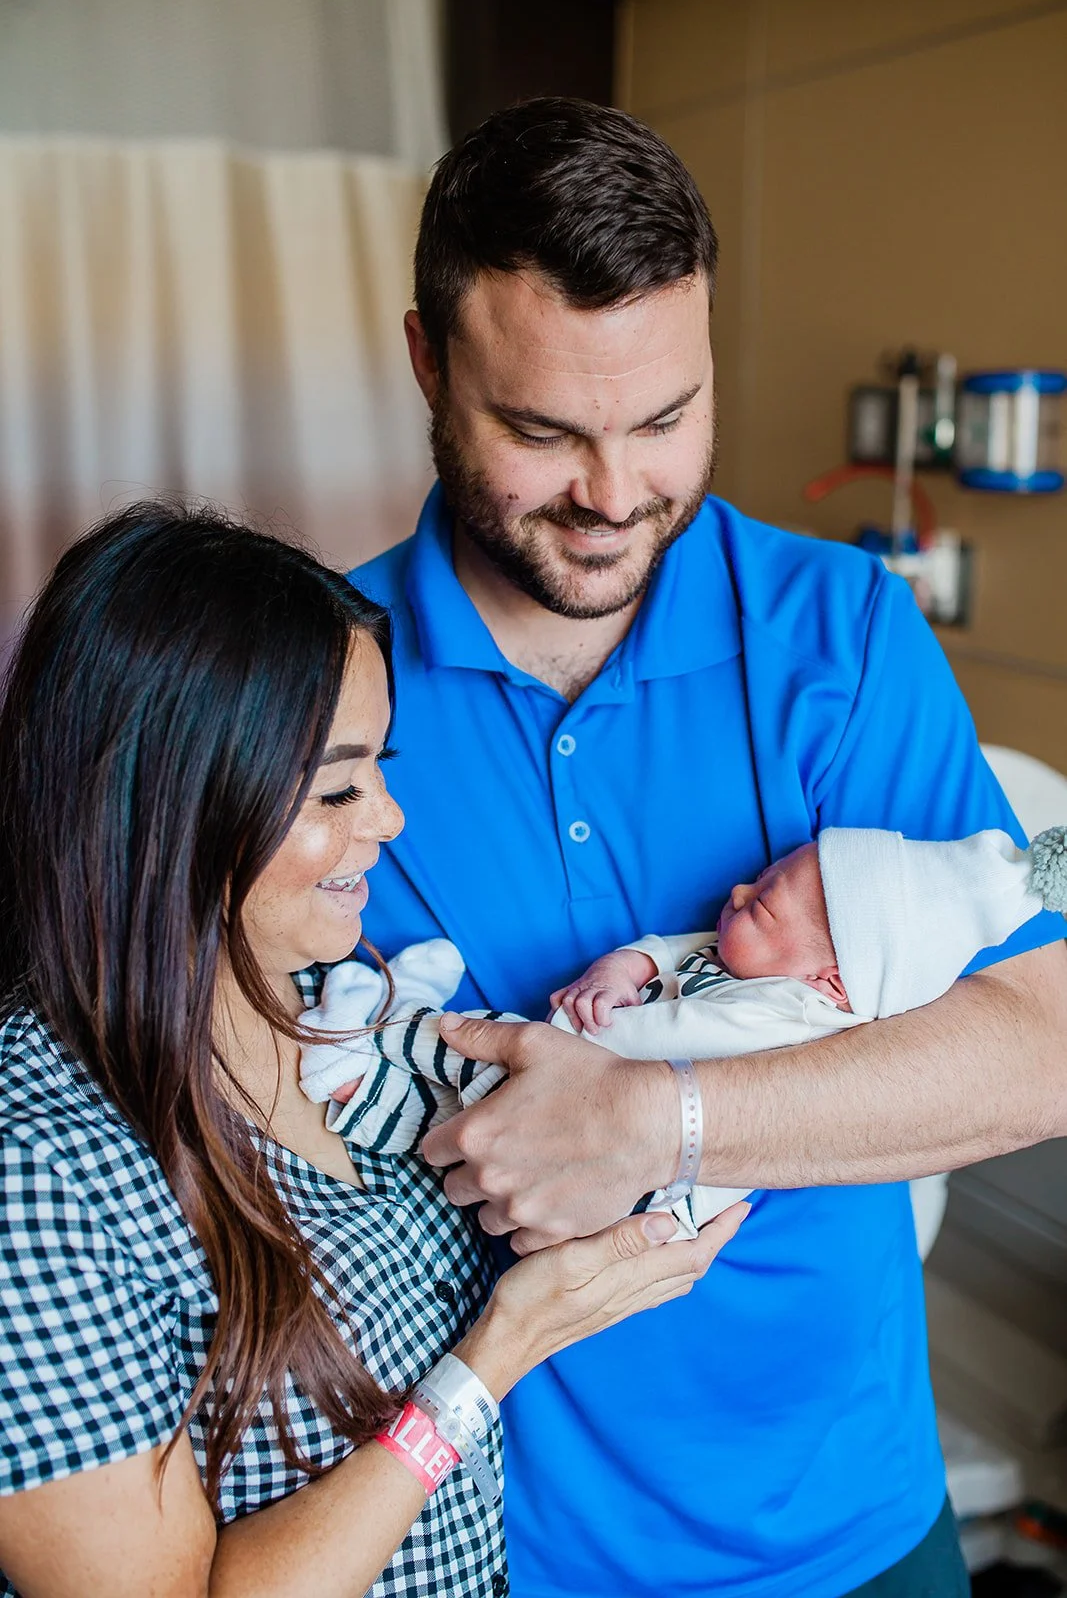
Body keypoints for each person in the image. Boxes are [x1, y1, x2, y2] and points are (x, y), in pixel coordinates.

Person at [350, 97, 1067, 1598]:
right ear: (426, 362)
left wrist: (654, 1121)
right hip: (490, 1550)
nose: (614, 496)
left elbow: (1036, 1047)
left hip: (850, 1526)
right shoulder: (317, 690)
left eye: (664, 419)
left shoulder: (836, 634)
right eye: (541, 432)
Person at [0, 500, 744, 1598]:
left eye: (379, 770)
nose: (388, 820)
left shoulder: (343, 1010)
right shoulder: (40, 1169)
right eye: (338, 788)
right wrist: (495, 1352)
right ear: (172, 803)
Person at [300, 825, 1067, 1239]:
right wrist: (620, 970)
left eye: (762, 904)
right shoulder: (747, 957)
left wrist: (580, 1048)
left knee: (456, 1106)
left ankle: (363, 1052)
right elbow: (670, 951)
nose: (737, 891)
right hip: (569, 1084)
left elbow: (663, 1058)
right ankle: (380, 1032)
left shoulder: (783, 1021)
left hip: (611, 1149)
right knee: (466, 1077)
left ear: (828, 985)